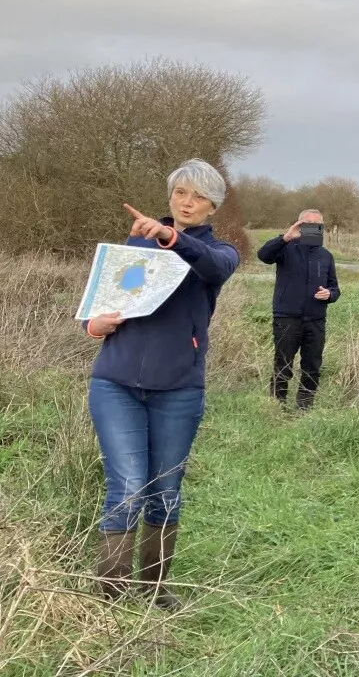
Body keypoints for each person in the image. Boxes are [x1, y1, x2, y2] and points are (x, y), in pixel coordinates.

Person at [83, 159, 239, 607]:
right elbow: (101, 302)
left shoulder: (221, 253)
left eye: (198, 196)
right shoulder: (138, 240)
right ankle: (110, 595)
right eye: (180, 193)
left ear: (213, 205)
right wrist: (95, 326)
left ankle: (154, 589)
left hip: (179, 388)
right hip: (116, 382)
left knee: (165, 490)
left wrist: (172, 238)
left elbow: (211, 266)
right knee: (128, 486)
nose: (187, 202)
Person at [258, 209, 341, 410]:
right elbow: (263, 256)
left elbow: (335, 287)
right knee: (283, 364)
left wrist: (329, 294)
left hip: (316, 320)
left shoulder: (325, 256)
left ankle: (304, 407)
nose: (312, 227)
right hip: (287, 317)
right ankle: (277, 405)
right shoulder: (285, 248)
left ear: (322, 227)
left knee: (312, 366)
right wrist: (286, 237)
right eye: (307, 223)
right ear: (299, 225)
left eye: (317, 224)